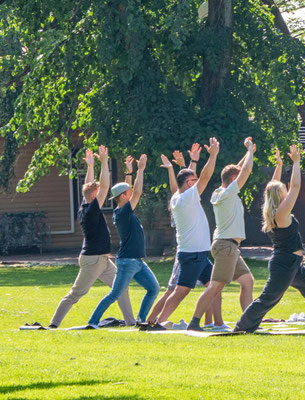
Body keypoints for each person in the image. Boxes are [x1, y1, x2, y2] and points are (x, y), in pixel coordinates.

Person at [232, 144, 305, 333]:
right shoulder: (282, 212)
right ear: (280, 195)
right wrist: (296, 162)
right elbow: (296, 185)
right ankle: (241, 327)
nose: (286, 189)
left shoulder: (272, 210)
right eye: (283, 189)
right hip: (284, 264)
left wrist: (279, 165)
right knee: (269, 298)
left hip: (293, 263)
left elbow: (272, 186)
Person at [48, 147, 135, 328]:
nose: (101, 193)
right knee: (75, 294)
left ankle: (131, 323)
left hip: (102, 259)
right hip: (92, 260)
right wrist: (104, 162)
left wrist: (90, 166)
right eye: (98, 192)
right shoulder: (91, 210)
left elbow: (89, 186)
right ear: (94, 196)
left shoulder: (84, 204)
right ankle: (53, 324)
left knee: (121, 288)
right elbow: (103, 186)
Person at [144, 146, 222, 329]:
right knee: (180, 291)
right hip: (192, 254)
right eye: (192, 181)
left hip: (199, 254)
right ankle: (160, 323)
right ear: (188, 184)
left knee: (214, 287)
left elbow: (184, 181)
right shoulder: (187, 198)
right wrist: (213, 156)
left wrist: (190, 163)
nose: (196, 183)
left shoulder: (179, 197)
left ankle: (216, 323)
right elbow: (205, 177)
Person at [186, 137, 257, 331]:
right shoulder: (228, 193)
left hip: (228, 246)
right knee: (215, 287)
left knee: (247, 281)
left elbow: (238, 169)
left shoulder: (220, 191)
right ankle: (194, 322)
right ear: (234, 180)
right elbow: (246, 171)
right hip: (226, 247)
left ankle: (247, 323)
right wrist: (250, 149)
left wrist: (247, 154)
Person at [87, 153, 160, 328]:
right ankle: (93, 321)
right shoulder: (123, 213)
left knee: (153, 289)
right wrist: (140, 170)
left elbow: (129, 191)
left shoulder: (123, 211)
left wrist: (129, 172)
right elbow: (138, 191)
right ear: (124, 197)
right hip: (127, 262)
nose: (132, 194)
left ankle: (140, 321)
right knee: (114, 294)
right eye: (128, 193)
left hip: (138, 261)